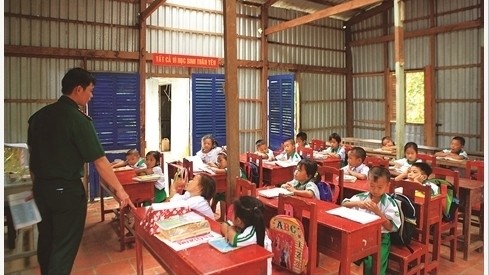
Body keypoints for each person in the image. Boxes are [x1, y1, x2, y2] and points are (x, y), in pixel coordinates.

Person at [27, 67, 135, 275]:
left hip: (41, 189)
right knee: (64, 246)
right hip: (66, 193)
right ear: (78, 89)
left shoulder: (38, 117)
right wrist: (121, 191)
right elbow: (100, 162)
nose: (91, 95)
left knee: (47, 239)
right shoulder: (77, 120)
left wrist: (36, 185)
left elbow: (33, 155)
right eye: (90, 90)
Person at [341, 167, 401, 275]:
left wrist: (378, 212)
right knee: (345, 254)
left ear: (387, 185)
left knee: (376, 266)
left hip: (381, 238)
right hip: (361, 235)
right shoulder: (362, 197)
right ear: (368, 182)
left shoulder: (389, 204)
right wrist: (358, 204)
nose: (375, 190)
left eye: (380, 187)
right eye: (372, 186)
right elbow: (344, 204)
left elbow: (391, 227)